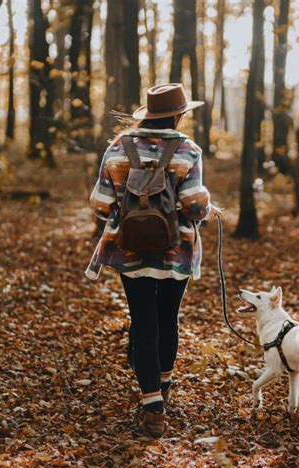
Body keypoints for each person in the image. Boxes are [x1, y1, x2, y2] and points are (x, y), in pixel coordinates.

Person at [87, 83, 220, 437]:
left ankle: (152, 408)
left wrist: (129, 207)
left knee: (143, 321)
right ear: (177, 115)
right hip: (177, 252)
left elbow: (100, 205)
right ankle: (162, 388)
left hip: (129, 250)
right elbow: (194, 204)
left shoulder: (117, 148)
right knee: (168, 319)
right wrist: (208, 207)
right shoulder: (188, 150)